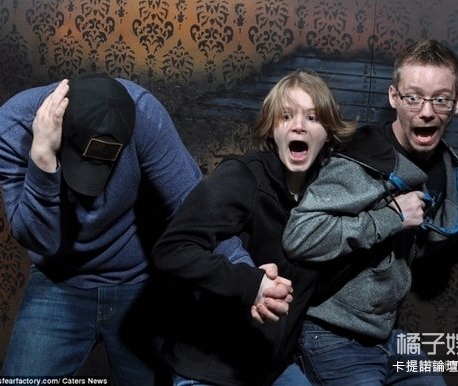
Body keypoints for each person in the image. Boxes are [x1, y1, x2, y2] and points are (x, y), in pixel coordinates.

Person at [282, 40, 458, 385]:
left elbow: (414, 243)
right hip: (332, 333)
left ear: (457, 103)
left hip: (387, 333)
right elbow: (300, 237)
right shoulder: (361, 160)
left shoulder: (439, 165)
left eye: (440, 99)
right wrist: (390, 215)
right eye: (413, 97)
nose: (426, 111)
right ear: (394, 97)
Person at [0, 73, 202, 385]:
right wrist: (42, 158)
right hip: (58, 280)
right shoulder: (11, 126)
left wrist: (248, 278)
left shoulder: (142, 114)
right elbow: (40, 240)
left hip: (139, 281)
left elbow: (192, 206)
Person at [150, 69, 357, 386]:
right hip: (210, 368)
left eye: (312, 117)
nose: (298, 125)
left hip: (272, 369)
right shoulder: (243, 177)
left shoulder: (328, 194)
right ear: (272, 128)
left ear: (328, 133)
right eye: (286, 116)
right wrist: (251, 284)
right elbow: (171, 250)